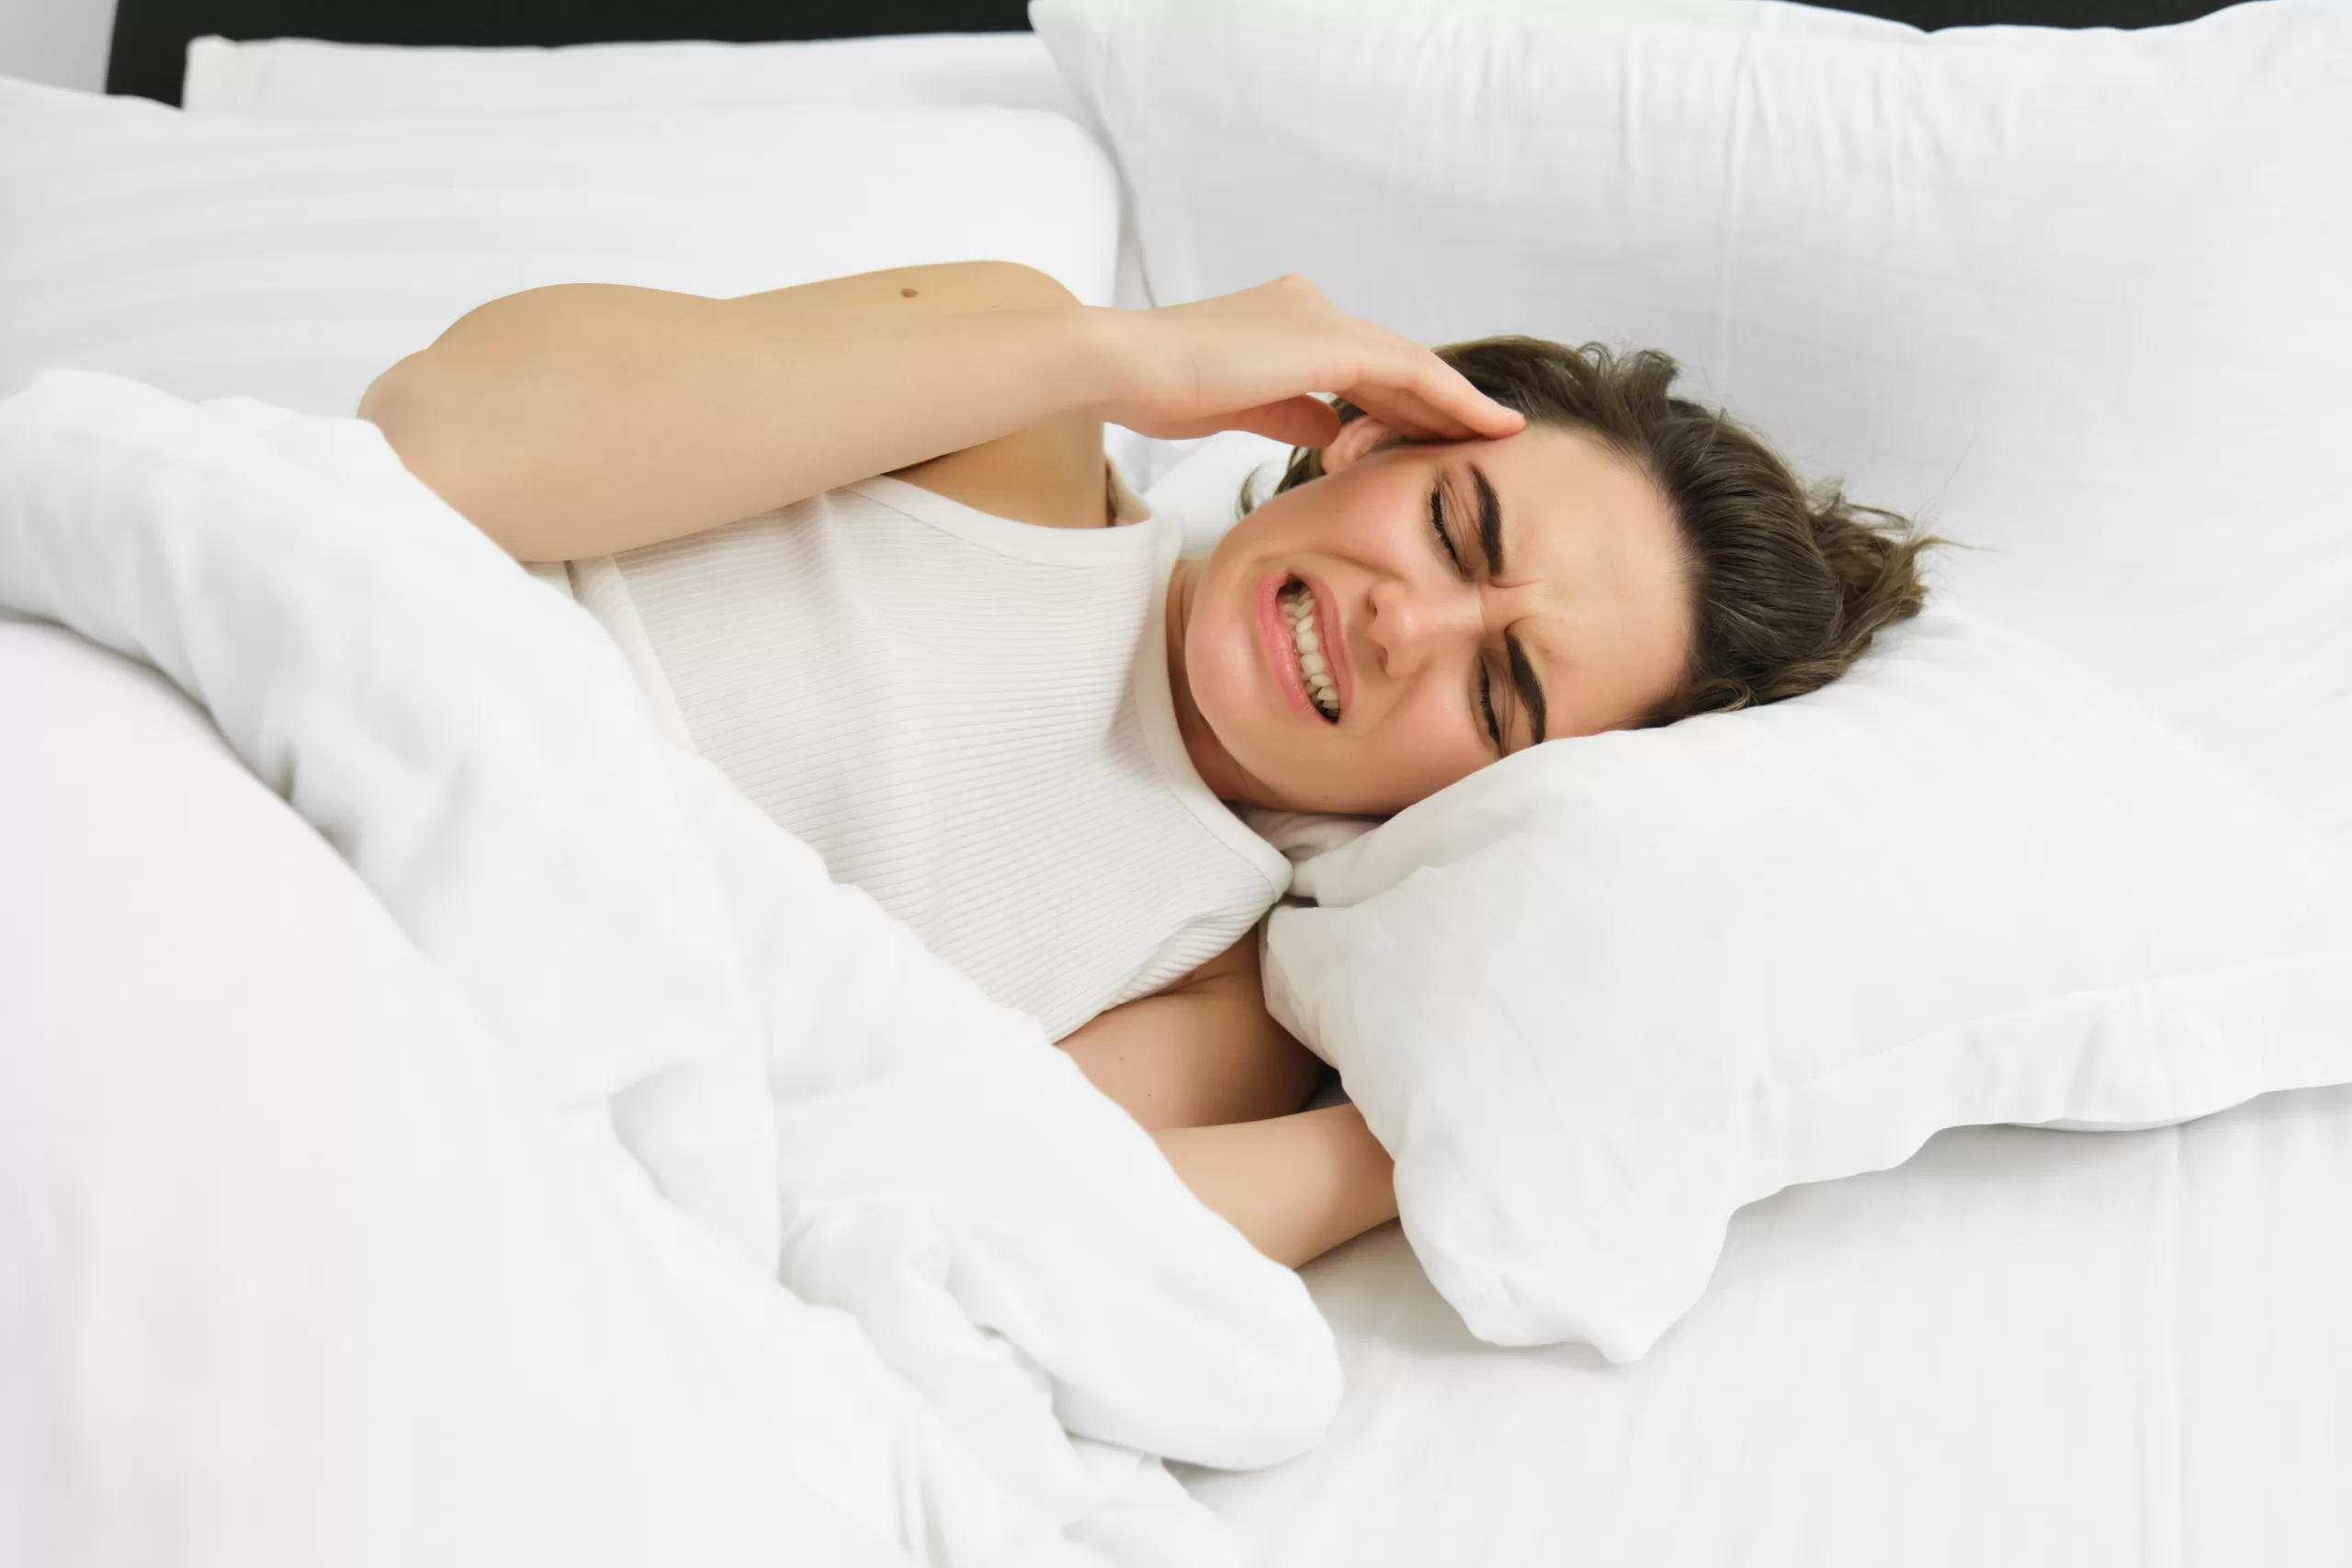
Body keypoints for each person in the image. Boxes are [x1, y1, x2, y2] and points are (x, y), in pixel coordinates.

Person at [359, 261, 1933, 1270]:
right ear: (1376, 436)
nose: (1408, 625)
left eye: (1504, 688)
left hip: (414, 1085)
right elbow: (441, 437)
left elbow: (931, 1203)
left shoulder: (1220, 977)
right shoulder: (1009, 425)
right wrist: (1111, 351)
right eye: (1455, 531)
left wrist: (1442, 1123)